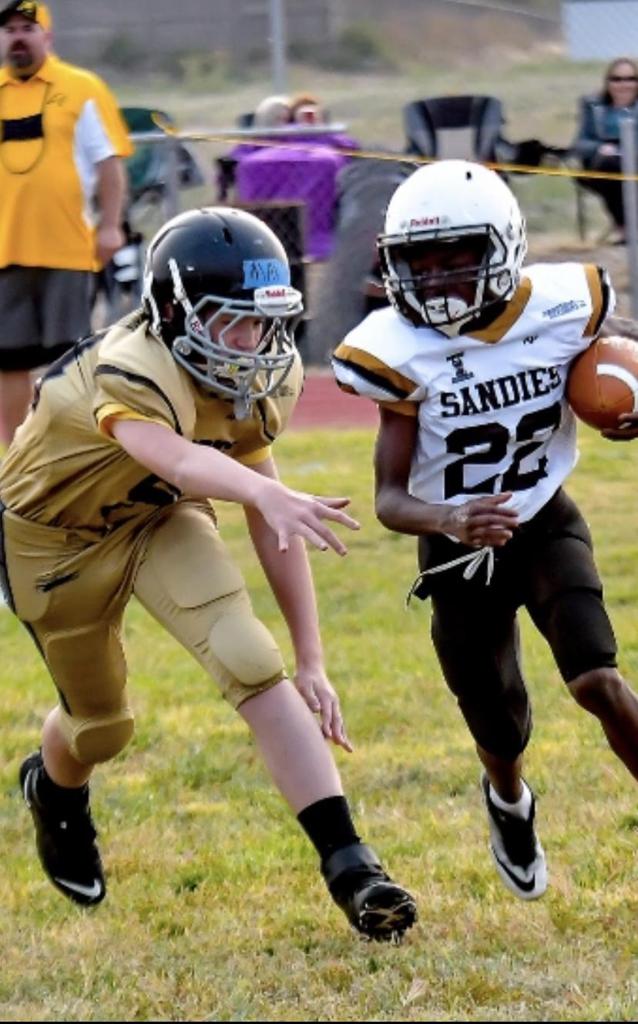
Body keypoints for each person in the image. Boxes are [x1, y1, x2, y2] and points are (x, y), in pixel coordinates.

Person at [2, 205, 417, 941]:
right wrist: (262, 487)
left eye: (263, 323)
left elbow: (268, 516)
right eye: (231, 322)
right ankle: (55, 792)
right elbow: (180, 459)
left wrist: (312, 658)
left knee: (252, 660)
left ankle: (353, 868)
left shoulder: (259, 373)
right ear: (172, 312)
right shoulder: (131, 368)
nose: (252, 344)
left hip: (157, 518)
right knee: (102, 727)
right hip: (52, 542)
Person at [331, 158, 638, 901]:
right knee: (498, 721)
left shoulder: (567, 302)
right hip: (455, 548)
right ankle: (508, 800)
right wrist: (451, 519)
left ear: (503, 248)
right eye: (420, 264)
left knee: (596, 674)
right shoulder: (395, 349)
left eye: (455, 260)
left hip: (540, 518)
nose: (435, 280)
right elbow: (388, 498)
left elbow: (618, 342)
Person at [0, 0, 132, 446]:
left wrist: (111, 226)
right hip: (5, 250)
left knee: (71, 361)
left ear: (47, 36)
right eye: (9, 29)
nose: (17, 37)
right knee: (9, 361)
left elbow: (108, 162)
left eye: (27, 28)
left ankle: (74, 451)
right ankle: (17, 456)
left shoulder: (81, 88)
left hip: (67, 249)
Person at [572, 57, 638, 244]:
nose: (623, 84)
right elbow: (580, 143)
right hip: (602, 164)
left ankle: (628, 230)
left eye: (630, 79)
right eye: (616, 79)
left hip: (634, 161)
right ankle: (626, 228)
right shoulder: (593, 106)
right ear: (608, 82)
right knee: (611, 168)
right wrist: (600, 148)